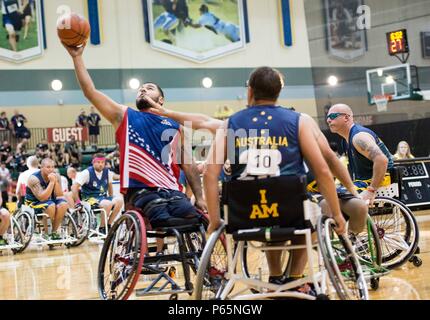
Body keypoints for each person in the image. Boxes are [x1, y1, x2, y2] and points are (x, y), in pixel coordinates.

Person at [62, 41, 206, 243]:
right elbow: (90, 92)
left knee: (198, 218)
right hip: (141, 191)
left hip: (172, 191)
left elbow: (189, 165)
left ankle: (210, 271)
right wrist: (77, 57)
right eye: (140, 89)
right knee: (161, 216)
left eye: (149, 88)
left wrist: (199, 198)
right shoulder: (124, 115)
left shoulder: (176, 125)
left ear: (161, 99)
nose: (143, 90)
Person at [327, 104, 394, 205]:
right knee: (328, 193)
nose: (328, 120)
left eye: (332, 116)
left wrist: (371, 190)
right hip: (362, 181)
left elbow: (382, 160)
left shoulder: (359, 137)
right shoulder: (345, 140)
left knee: (335, 197)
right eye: (327, 117)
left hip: (381, 181)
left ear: (346, 117)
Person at [71, 154, 123, 234]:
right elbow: (74, 187)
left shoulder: (107, 172)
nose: (101, 164)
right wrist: (78, 202)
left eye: (102, 162)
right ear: (93, 162)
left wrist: (111, 197)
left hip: (102, 198)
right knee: (107, 203)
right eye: (98, 162)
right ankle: (102, 228)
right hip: (89, 198)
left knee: (119, 201)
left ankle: (108, 225)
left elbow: (110, 186)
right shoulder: (86, 173)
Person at [25, 158, 69, 240]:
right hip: (34, 203)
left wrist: (55, 182)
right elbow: (42, 198)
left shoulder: (56, 176)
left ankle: (54, 232)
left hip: (49, 201)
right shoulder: (33, 178)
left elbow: (59, 194)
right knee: (50, 205)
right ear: (41, 168)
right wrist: (52, 182)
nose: (51, 169)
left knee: (64, 204)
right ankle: (46, 232)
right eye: (48, 167)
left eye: (53, 167)